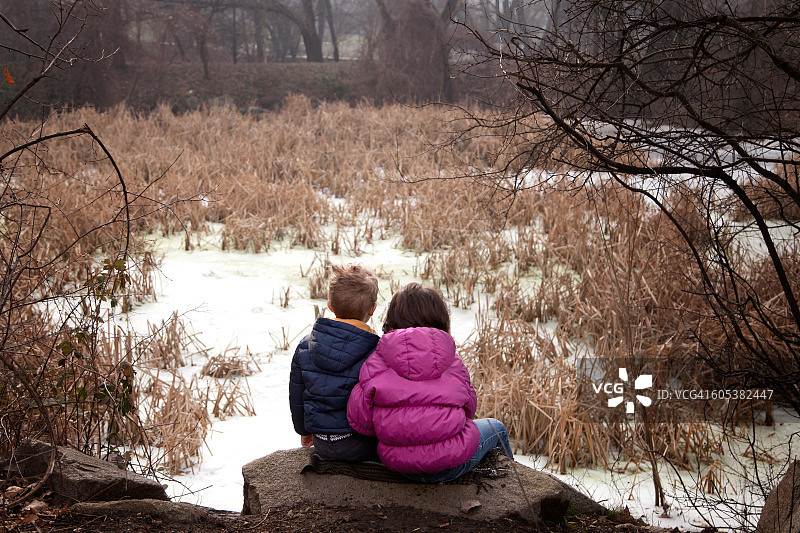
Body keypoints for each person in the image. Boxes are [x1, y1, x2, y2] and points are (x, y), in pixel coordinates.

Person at [347, 282, 512, 482]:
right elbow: (469, 409)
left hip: (398, 465)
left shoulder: (376, 360)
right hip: (450, 465)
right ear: (441, 318)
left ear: (392, 319)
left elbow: (361, 420)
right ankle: (511, 487)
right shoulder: (452, 361)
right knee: (497, 428)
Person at [289, 264, 380, 462]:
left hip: (322, 443)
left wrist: (304, 431)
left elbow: (297, 395)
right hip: (361, 443)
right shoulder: (376, 351)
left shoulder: (306, 345)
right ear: (373, 309)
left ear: (330, 306)